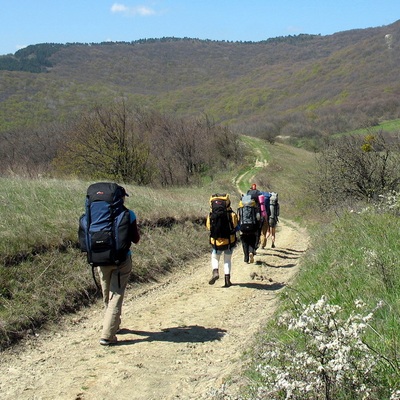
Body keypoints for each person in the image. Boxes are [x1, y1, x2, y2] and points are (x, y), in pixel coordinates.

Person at [97, 188, 140, 346]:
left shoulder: (97, 215)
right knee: (116, 295)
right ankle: (107, 335)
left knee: (107, 293)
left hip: (100, 259)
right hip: (122, 259)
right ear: (121, 198)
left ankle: (113, 324)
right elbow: (135, 239)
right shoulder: (129, 214)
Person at [206, 194, 238, 288]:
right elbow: (235, 225)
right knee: (227, 260)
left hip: (216, 241)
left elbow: (208, 227)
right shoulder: (231, 214)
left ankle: (215, 271)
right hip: (229, 241)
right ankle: (227, 280)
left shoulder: (211, 215)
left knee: (215, 257)